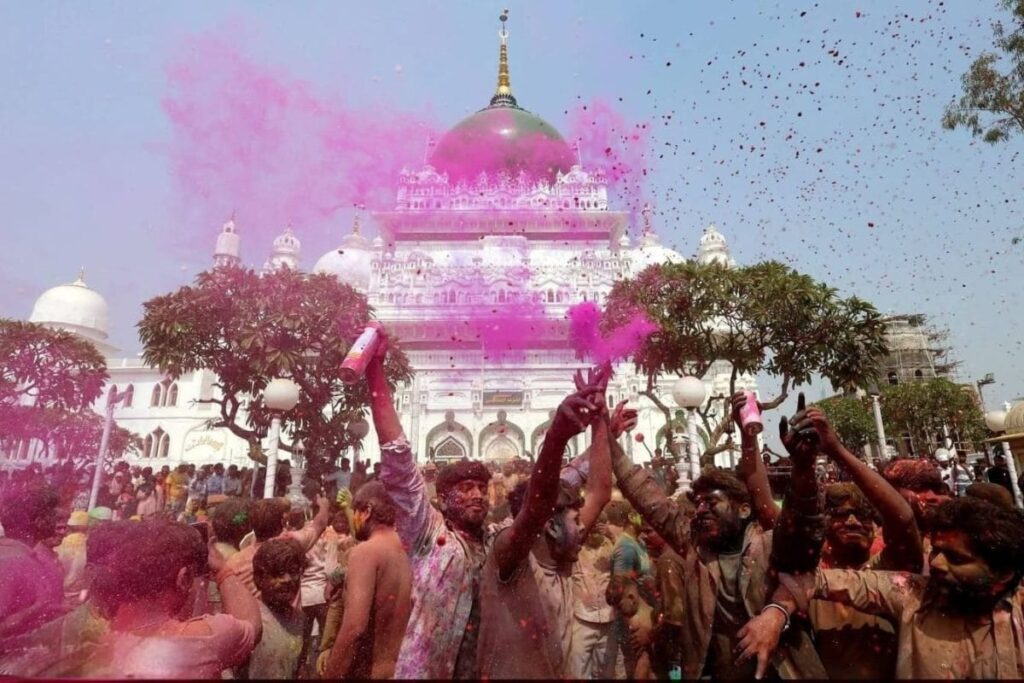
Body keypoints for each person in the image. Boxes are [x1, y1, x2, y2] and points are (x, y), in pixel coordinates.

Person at [611, 392, 825, 680]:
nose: (699, 511)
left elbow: (806, 520)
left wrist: (803, 467)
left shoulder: (772, 545)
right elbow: (644, 493)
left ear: (744, 508)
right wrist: (607, 437)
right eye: (697, 503)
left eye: (710, 503)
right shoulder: (696, 548)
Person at [368, 324, 495, 678]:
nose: (477, 495)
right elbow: (398, 462)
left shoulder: (493, 540)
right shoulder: (429, 536)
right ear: (443, 497)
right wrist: (375, 373)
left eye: (482, 488)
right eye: (466, 488)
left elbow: (543, 501)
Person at [778, 496, 1024, 678]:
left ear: (1004, 573)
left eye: (956, 558)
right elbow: (815, 580)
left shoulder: (1019, 613)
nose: (936, 563)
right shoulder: (912, 593)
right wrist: (775, 612)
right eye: (935, 550)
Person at [477, 366, 613, 679]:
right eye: (575, 520)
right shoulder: (512, 557)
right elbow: (536, 510)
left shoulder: (560, 557)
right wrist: (556, 437)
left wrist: (600, 419)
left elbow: (600, 492)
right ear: (550, 526)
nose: (583, 528)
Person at [74, 519, 261, 678]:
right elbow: (250, 625)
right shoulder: (202, 639)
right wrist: (222, 570)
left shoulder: (79, 634)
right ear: (184, 578)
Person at [323, 481, 413, 679]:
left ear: (367, 511)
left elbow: (354, 628)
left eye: (355, 511)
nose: (353, 519)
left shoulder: (365, 552)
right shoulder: (406, 550)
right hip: (402, 670)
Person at [225, 493, 330, 598]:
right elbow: (320, 524)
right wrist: (324, 505)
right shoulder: (290, 545)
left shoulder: (234, 561)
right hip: (281, 613)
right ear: (282, 521)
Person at [0, 481, 66, 644]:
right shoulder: (13, 562)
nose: (60, 524)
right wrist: (37, 608)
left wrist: (51, 609)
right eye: (53, 516)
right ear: (38, 521)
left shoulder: (31, 557)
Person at [245, 538, 307, 679]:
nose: (287, 579)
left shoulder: (300, 619)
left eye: (293, 572)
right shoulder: (251, 620)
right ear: (259, 579)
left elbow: (300, 667)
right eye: (278, 573)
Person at [569, 514, 616, 680]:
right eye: (592, 522)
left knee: (607, 673)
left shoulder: (612, 545)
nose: (596, 526)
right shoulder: (576, 547)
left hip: (608, 618)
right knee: (577, 672)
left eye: (599, 523)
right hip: (581, 619)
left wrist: (612, 534)